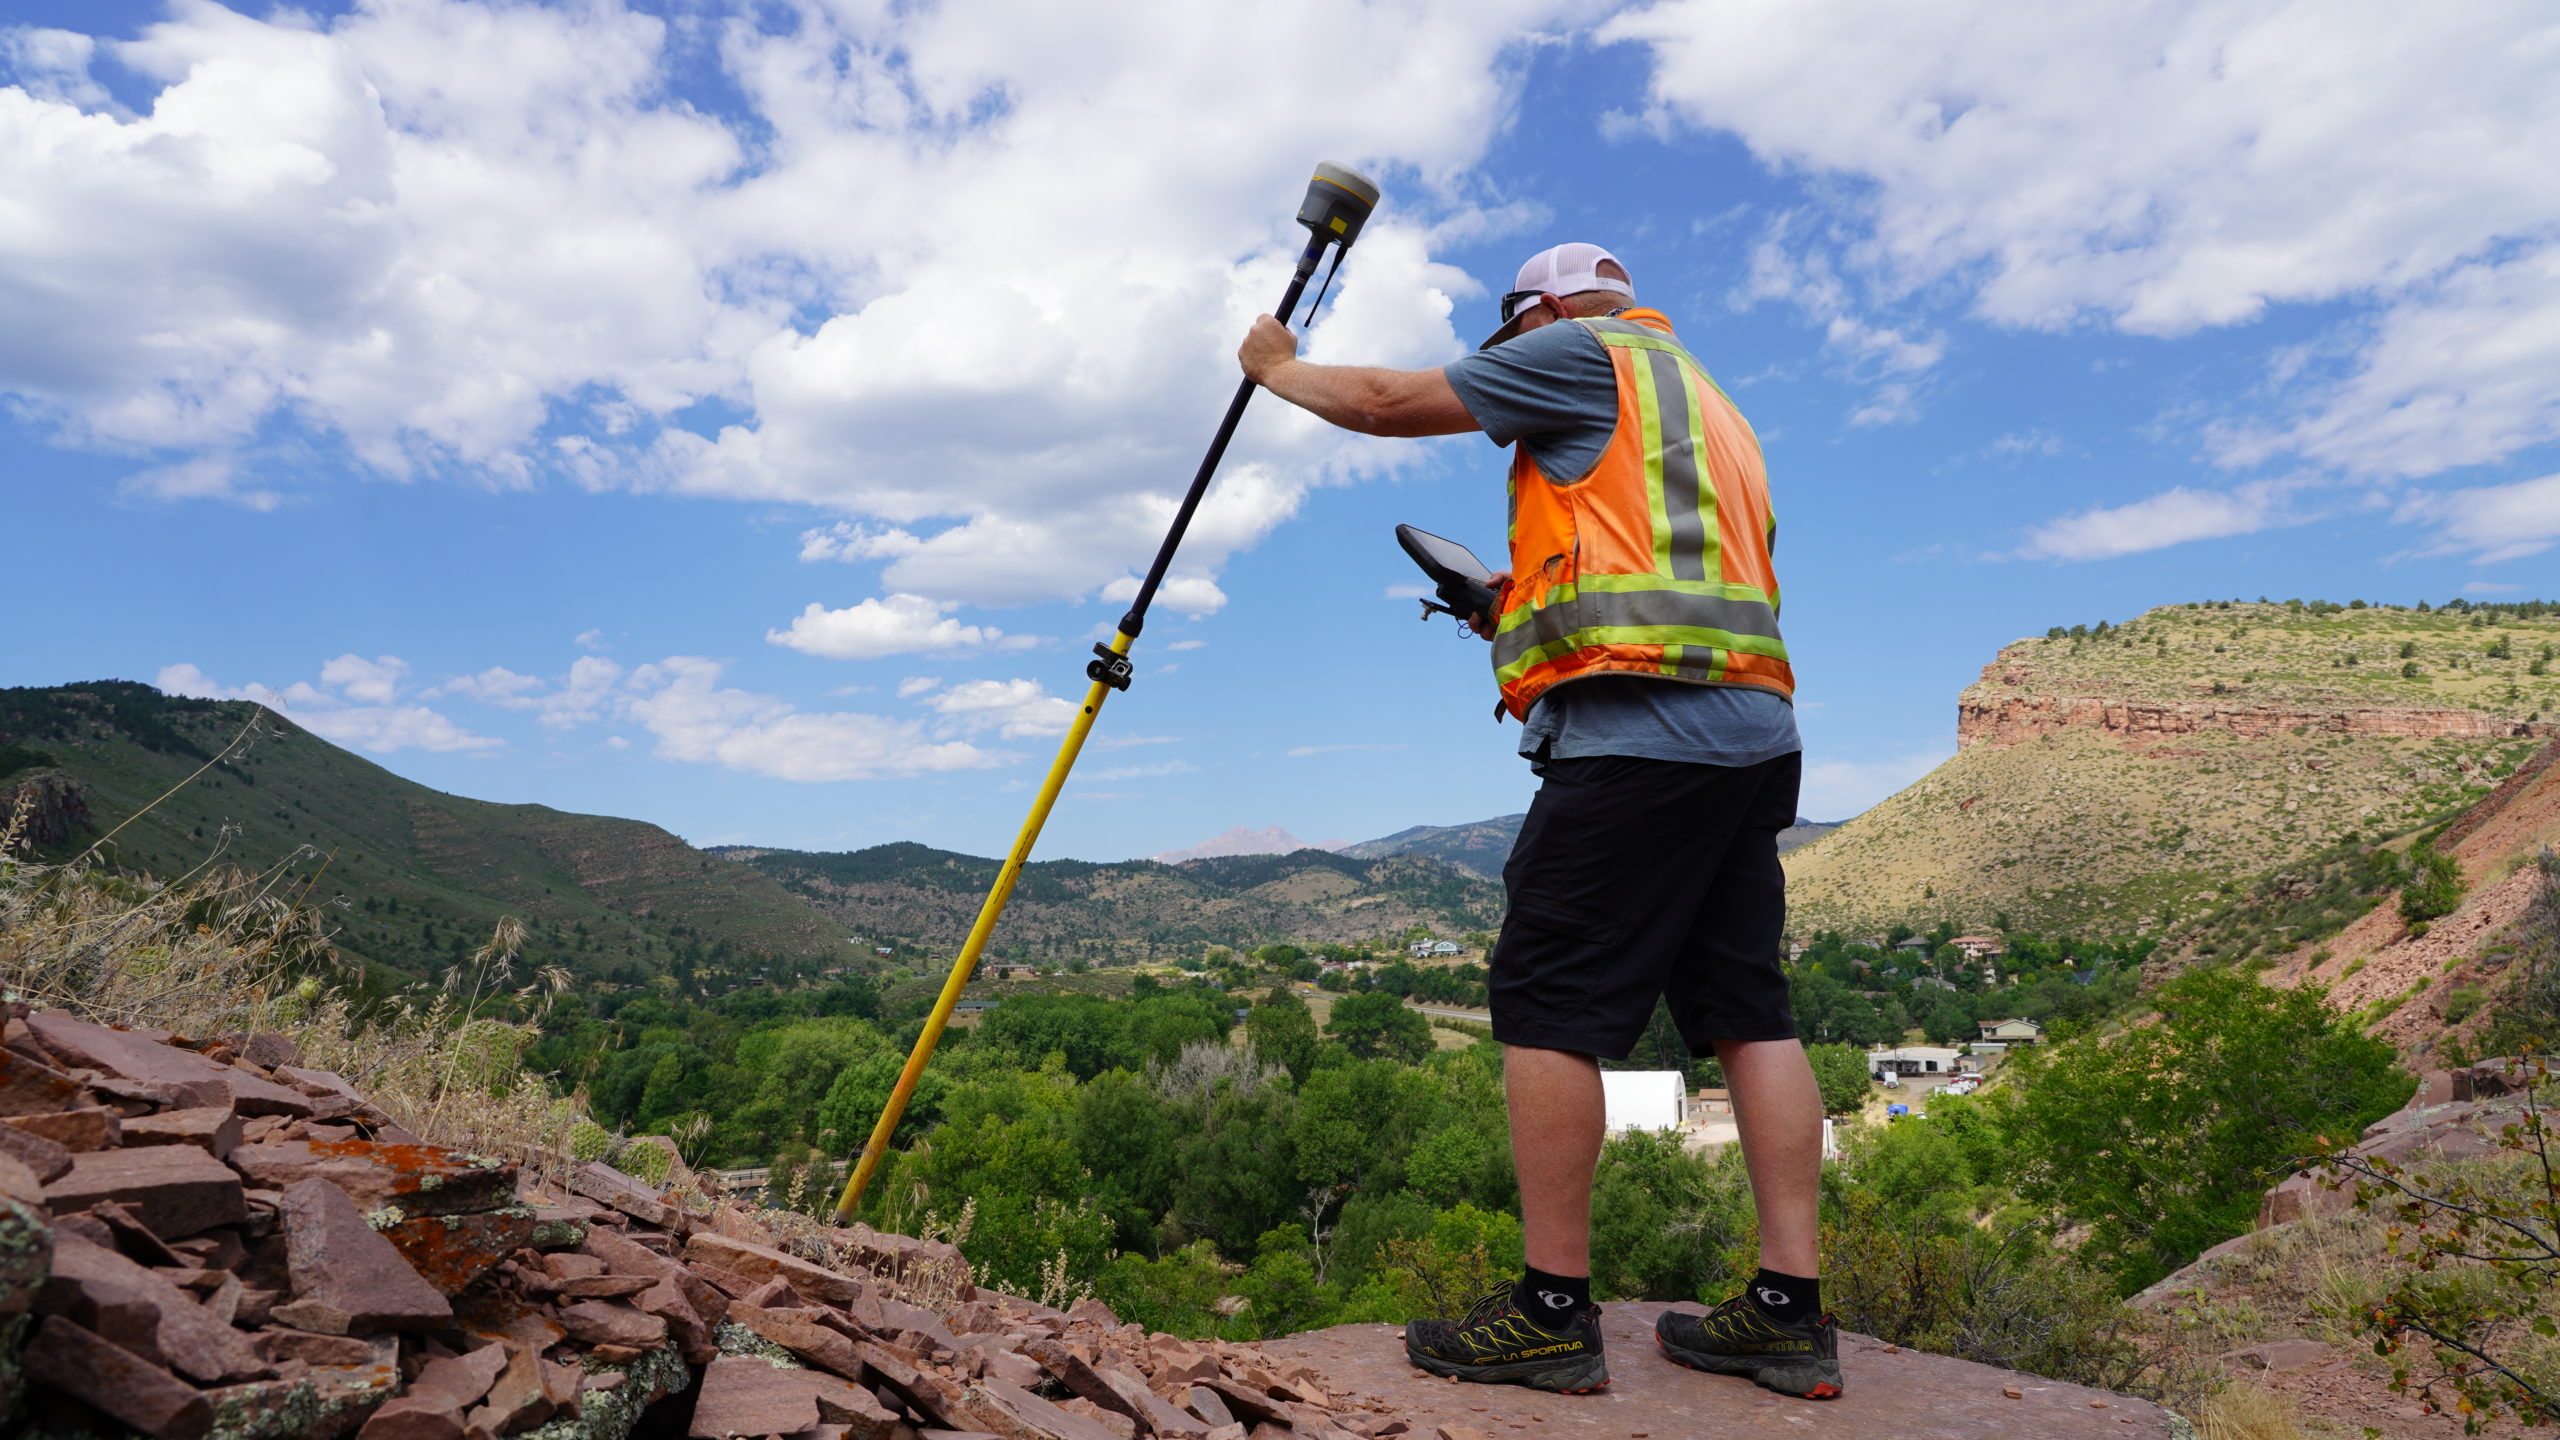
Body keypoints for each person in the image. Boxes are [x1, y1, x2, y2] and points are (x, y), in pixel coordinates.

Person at [1235, 242, 1838, 1400]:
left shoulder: (1580, 352)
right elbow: (1657, 568)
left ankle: (1553, 1314)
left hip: (1637, 743)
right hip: (1752, 737)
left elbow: (1379, 402)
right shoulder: (1713, 402)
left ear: (1546, 311)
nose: (1507, 369)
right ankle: (1785, 1312)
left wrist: (1275, 368)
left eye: (1506, 340)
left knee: (1547, 1006)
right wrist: (1508, 611)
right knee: (1746, 1010)